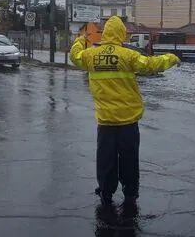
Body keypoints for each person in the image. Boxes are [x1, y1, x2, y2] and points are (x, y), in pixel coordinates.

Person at [70, 16, 181, 206]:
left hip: (105, 120)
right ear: (121, 34)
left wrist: (81, 38)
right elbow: (151, 65)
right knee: (129, 158)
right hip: (128, 120)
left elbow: (75, 56)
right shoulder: (128, 55)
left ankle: (106, 191)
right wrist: (171, 58)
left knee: (105, 158)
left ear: (105, 34)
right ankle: (130, 193)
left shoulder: (91, 56)